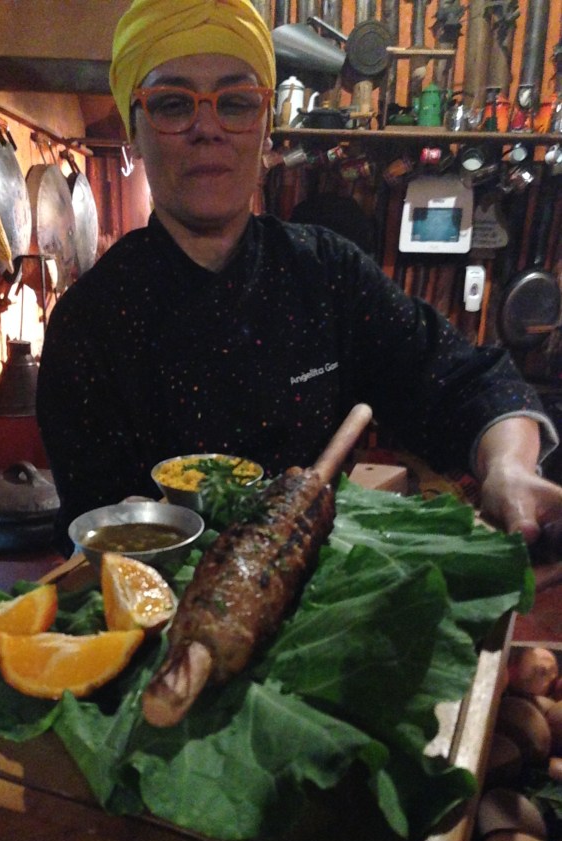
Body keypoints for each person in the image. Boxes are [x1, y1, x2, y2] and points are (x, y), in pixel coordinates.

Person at [36, 0, 562, 557]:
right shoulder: (88, 324)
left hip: (322, 617)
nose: (207, 128)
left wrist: (507, 469)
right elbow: (106, 553)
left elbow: (466, 382)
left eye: (236, 102)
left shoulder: (329, 274)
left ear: (264, 127)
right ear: (133, 130)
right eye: (172, 104)